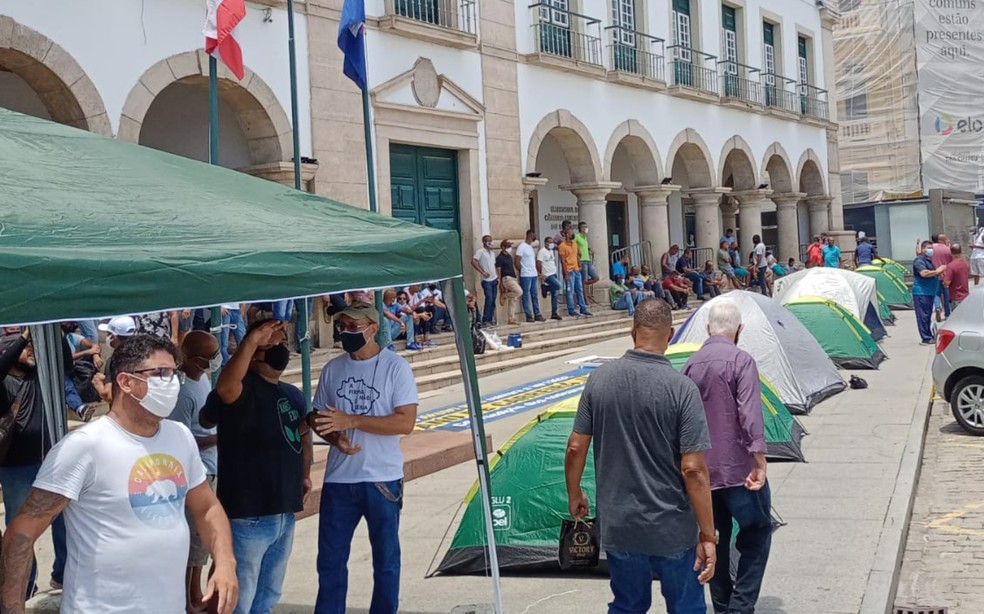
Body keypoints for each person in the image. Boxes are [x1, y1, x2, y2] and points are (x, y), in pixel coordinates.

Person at [0, 335, 238, 614]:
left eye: (174, 373)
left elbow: (207, 507)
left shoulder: (180, 436)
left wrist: (225, 562)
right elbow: (21, 533)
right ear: (126, 382)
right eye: (160, 373)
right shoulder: (84, 447)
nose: (171, 382)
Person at [565, 298, 716, 613]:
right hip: (672, 526)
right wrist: (707, 533)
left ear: (632, 331)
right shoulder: (682, 389)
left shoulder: (599, 379)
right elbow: (693, 470)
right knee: (686, 606)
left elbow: (576, 446)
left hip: (620, 525)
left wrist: (574, 492)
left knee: (627, 605)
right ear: (671, 334)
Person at [309, 302, 418, 614]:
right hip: (339, 479)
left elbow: (405, 422)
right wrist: (334, 436)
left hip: (381, 479)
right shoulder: (333, 369)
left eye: (353, 326)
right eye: (341, 326)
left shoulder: (395, 368)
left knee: (385, 562)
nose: (345, 331)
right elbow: (319, 417)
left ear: (373, 328)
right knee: (329, 562)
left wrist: (353, 421)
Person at [200, 320, 312, 614]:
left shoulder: (292, 394)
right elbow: (223, 391)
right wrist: (250, 342)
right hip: (247, 515)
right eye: (271, 343)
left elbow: (302, 435)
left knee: (268, 593)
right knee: (240, 595)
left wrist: (305, 474)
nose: (280, 348)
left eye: (283, 342)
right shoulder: (238, 389)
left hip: (284, 512)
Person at [683, 300, 772, 614]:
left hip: (702, 474)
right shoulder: (741, 360)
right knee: (758, 531)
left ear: (708, 329)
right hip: (738, 469)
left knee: (713, 538)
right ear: (740, 330)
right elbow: (749, 412)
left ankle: (722, 606)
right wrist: (759, 458)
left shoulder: (691, 364)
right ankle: (740, 606)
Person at [0, 330, 68, 596]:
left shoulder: (42, 376)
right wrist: (21, 339)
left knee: (64, 520)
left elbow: (66, 362)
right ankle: (25, 585)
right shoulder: (4, 382)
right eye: (26, 347)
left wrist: (54, 330)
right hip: (16, 467)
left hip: (51, 462)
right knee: (20, 528)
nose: (32, 350)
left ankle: (63, 574)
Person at [170, 331, 222, 613]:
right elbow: (180, 437)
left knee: (202, 540)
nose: (216, 359)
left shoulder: (202, 378)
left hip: (211, 467)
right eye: (210, 356)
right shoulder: (183, 392)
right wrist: (218, 438)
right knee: (194, 538)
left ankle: (194, 592)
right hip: (196, 472)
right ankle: (189, 596)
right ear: (191, 357)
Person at [912, 240, 947, 345]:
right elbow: (924, 273)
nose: (931, 250)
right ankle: (926, 338)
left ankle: (929, 334)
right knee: (923, 315)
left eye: (932, 248)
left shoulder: (929, 260)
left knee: (927, 315)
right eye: (929, 248)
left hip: (929, 292)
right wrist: (937, 271)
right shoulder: (919, 260)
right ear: (923, 249)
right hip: (922, 292)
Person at [559, 228, 591, 318]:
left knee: (579, 290)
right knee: (570, 291)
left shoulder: (574, 244)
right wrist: (565, 274)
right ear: (566, 235)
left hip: (576, 270)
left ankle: (583, 308)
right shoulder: (562, 246)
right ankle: (571, 309)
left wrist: (579, 264)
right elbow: (562, 261)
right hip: (569, 271)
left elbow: (576, 255)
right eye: (570, 233)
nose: (572, 234)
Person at [515, 229, 545, 323]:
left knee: (534, 294)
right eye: (533, 235)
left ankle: (537, 313)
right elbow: (517, 261)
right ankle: (528, 314)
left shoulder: (531, 247)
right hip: (526, 274)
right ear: (529, 235)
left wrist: (537, 272)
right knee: (526, 295)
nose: (534, 237)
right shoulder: (522, 247)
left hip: (533, 274)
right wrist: (522, 270)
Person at [471, 235, 499, 327]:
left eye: (491, 240)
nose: (490, 242)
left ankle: (491, 319)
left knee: (493, 300)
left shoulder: (492, 253)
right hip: (486, 280)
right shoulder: (480, 252)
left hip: (494, 279)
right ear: (484, 242)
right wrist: (482, 272)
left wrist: (497, 274)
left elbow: (494, 264)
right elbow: (474, 261)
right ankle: (485, 320)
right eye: (488, 241)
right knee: (489, 298)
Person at [495, 239, 523, 326]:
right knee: (519, 292)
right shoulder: (500, 258)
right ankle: (505, 295)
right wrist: (500, 283)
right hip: (507, 279)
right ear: (503, 247)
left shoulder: (509, 257)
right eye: (507, 246)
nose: (509, 248)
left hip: (513, 277)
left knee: (513, 299)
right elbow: (498, 270)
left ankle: (511, 318)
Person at [538, 235, 563, 321]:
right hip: (547, 274)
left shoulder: (551, 250)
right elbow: (538, 262)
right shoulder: (542, 251)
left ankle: (554, 313)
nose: (551, 244)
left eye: (552, 242)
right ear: (546, 243)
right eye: (550, 242)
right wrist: (540, 273)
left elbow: (557, 247)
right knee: (559, 285)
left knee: (555, 294)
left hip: (553, 272)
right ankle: (546, 288)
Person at [575, 221, 599, 297]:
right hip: (582, 260)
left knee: (596, 277)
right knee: (584, 279)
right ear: (581, 228)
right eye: (585, 227)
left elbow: (584, 246)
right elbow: (574, 247)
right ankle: (585, 298)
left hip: (587, 259)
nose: (586, 228)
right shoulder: (577, 236)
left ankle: (584, 284)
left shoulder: (585, 237)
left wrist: (589, 250)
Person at [943, 243, 970, 310]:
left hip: (955, 296)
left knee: (957, 318)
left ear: (951, 252)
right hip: (965, 295)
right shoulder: (965, 263)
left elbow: (947, 282)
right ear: (960, 252)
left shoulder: (951, 266)